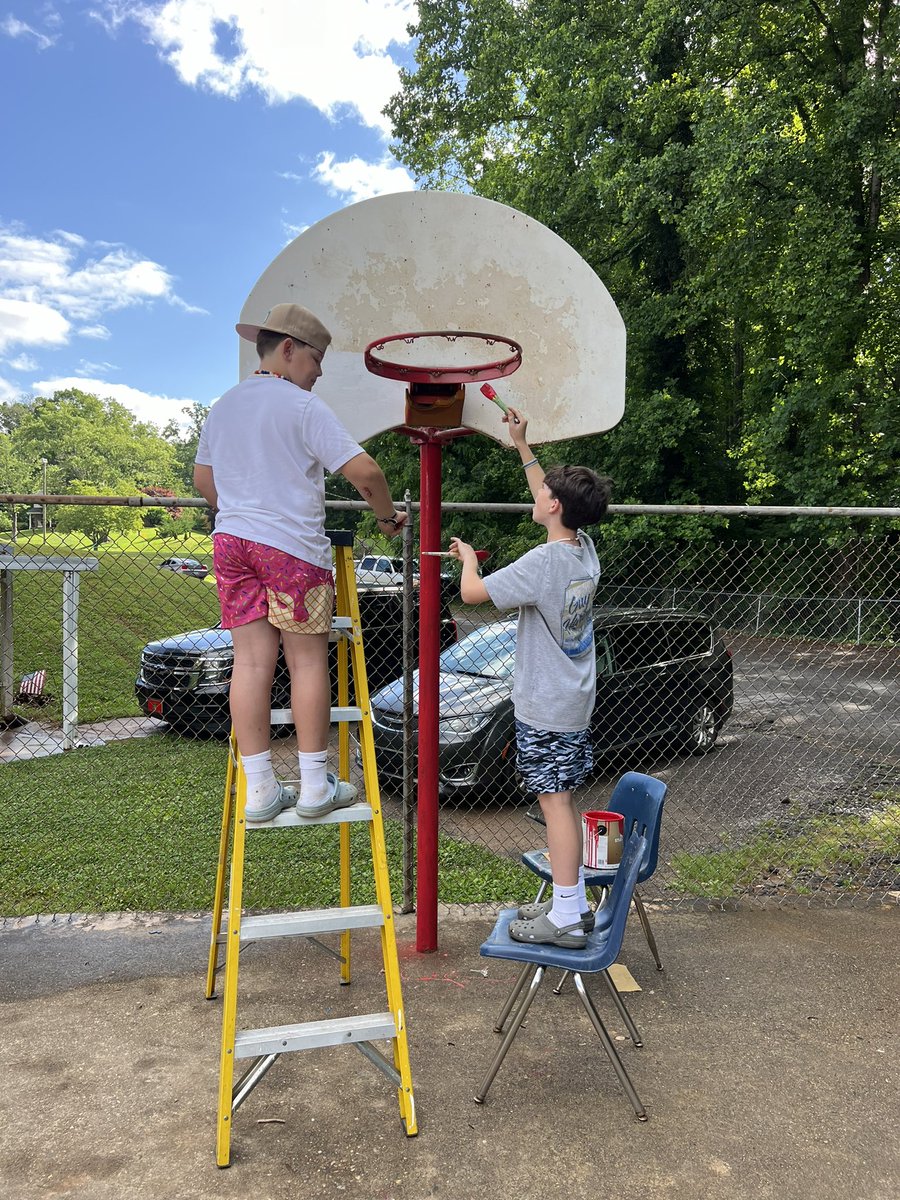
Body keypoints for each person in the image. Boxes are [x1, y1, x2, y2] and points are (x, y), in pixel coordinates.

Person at [194, 303, 407, 822]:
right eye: (316, 360)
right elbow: (368, 472)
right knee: (308, 661)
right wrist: (385, 518)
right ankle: (315, 785)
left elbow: (204, 482)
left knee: (249, 664)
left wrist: (245, 511)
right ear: (288, 349)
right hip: (291, 551)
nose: (318, 373)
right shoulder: (301, 407)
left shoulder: (223, 406)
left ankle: (261, 791)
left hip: (232, 544)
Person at [450, 405, 611, 947]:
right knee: (562, 799)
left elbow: (473, 595)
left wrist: (469, 560)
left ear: (555, 506)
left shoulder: (543, 566)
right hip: (573, 702)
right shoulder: (583, 550)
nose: (536, 496)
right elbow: (550, 493)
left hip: (546, 706)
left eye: (544, 494)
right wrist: (523, 446)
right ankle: (573, 903)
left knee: (556, 805)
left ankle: (565, 914)